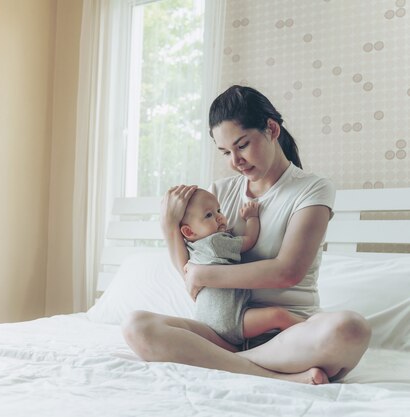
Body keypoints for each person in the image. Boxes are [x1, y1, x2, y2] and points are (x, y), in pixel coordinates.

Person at [122, 85, 371, 385]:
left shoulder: (313, 189)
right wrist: (168, 228)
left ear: (271, 129)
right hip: (223, 331)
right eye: (226, 152)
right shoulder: (218, 193)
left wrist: (203, 276)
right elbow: (193, 276)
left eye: (242, 145)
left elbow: (286, 272)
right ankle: (279, 375)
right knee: (136, 325)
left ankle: (218, 362)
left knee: (351, 328)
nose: (235, 161)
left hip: (289, 335)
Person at [181, 188, 304, 351]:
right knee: (278, 316)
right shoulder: (215, 242)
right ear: (189, 231)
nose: (219, 216)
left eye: (219, 210)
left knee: (269, 325)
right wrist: (252, 218)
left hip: (205, 323)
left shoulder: (191, 247)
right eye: (209, 215)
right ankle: (315, 329)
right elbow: (249, 240)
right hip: (230, 320)